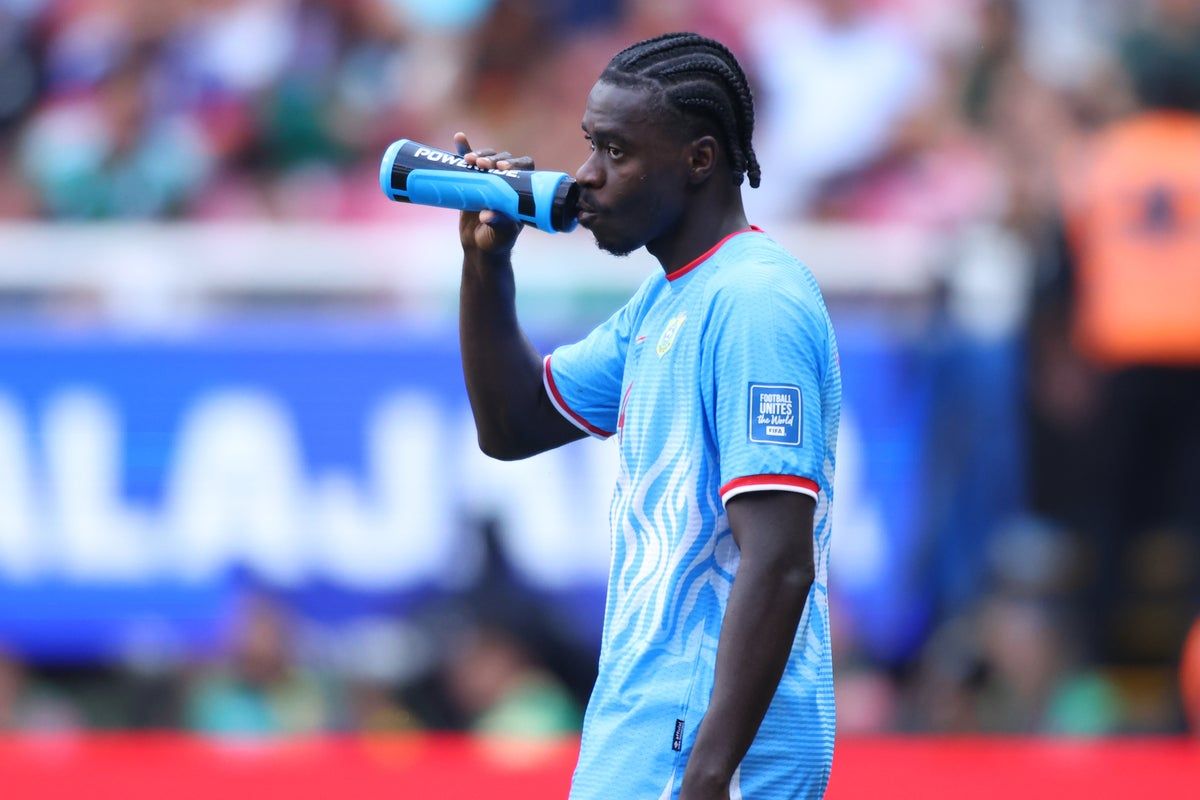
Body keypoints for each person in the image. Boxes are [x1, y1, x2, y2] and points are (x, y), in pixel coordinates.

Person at [455, 32, 840, 799]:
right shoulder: (663, 302)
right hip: (641, 734)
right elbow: (514, 424)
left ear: (699, 159)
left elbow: (779, 558)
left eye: (616, 151)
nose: (586, 174)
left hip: (701, 750)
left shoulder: (755, 301)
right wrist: (486, 262)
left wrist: (709, 771)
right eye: (590, 145)